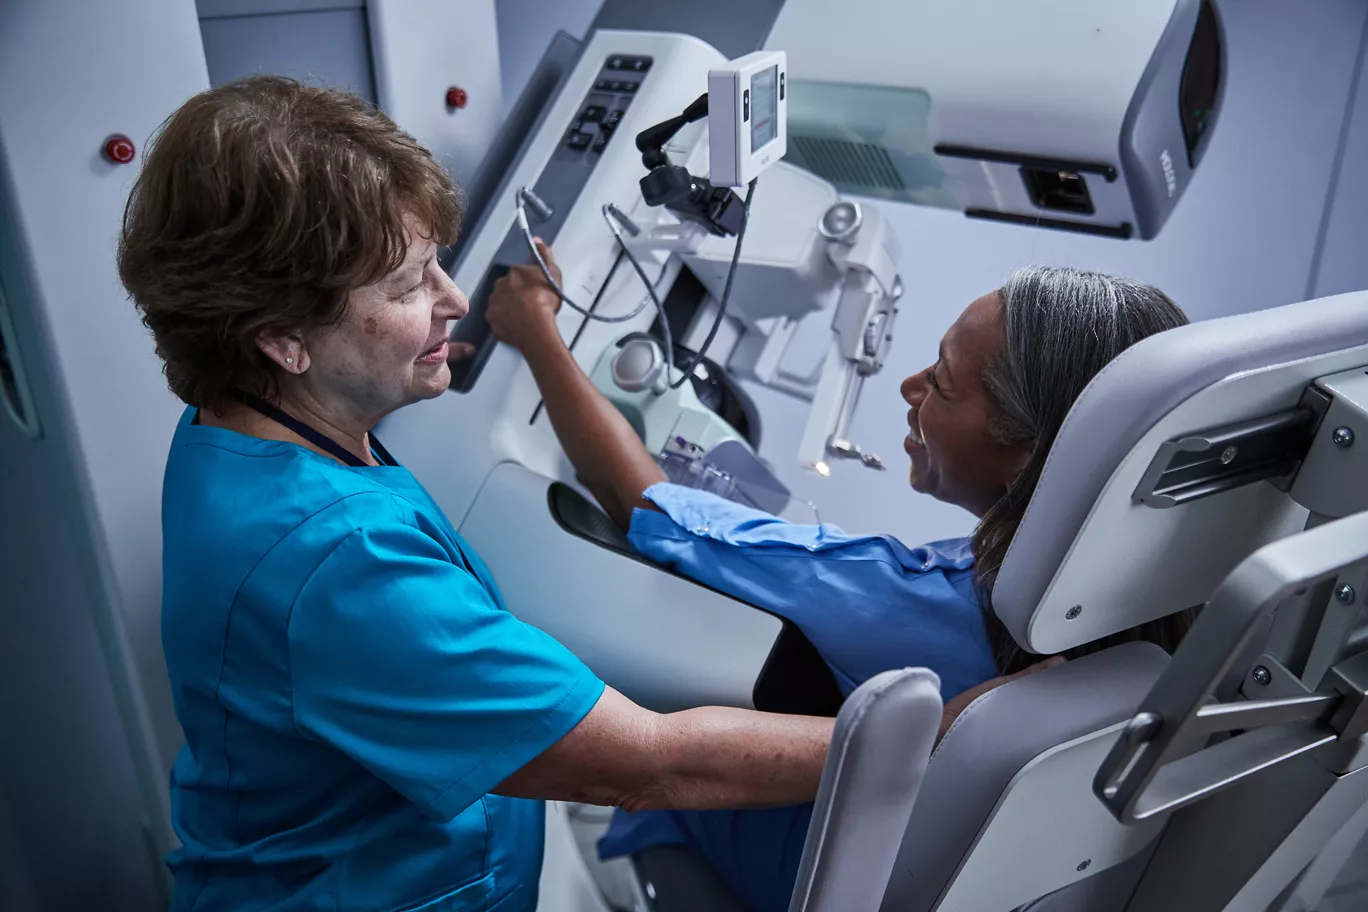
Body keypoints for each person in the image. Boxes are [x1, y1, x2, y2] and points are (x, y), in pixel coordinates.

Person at [115, 77, 1036, 912]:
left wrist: (404, 358)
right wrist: (953, 732)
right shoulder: (336, 559)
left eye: (438, 260)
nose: (451, 298)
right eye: (405, 286)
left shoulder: (241, 422)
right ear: (283, 339)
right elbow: (651, 766)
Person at [484, 248, 1195, 912]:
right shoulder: (1157, 631)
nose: (910, 387)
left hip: (686, 858)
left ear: (1026, 454)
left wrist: (536, 328)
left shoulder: (908, 600)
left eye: (942, 382)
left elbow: (639, 503)